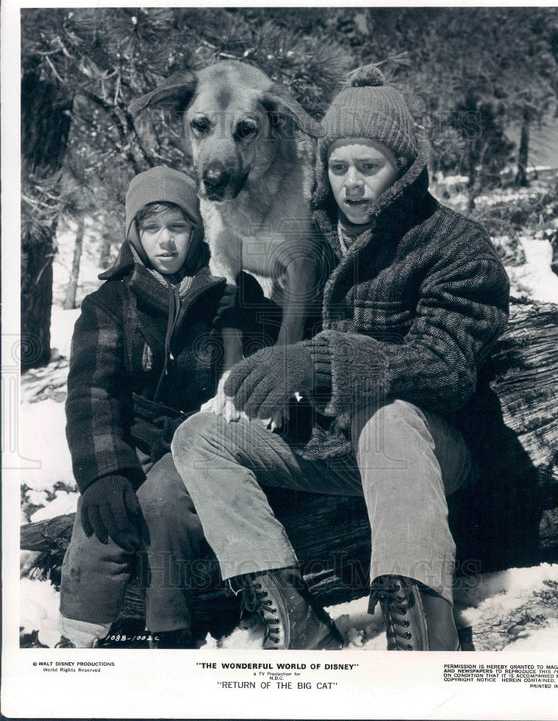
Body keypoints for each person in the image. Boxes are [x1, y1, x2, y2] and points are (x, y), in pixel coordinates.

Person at [170, 66, 511, 651]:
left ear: (403, 168)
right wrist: (248, 373)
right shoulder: (313, 236)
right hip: (331, 446)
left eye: (369, 167)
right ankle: (294, 619)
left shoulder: (456, 243)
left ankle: (424, 639)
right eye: (338, 167)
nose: (352, 184)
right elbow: (264, 305)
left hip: (429, 452)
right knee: (198, 438)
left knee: (390, 419)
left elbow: (447, 368)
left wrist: (319, 363)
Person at [58, 165, 273, 649]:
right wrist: (103, 472)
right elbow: (91, 393)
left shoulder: (226, 292)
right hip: (130, 441)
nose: (166, 242)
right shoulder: (109, 304)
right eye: (151, 228)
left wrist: (247, 314)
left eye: (177, 227)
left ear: (196, 231)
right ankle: (76, 643)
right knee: (101, 523)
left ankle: (170, 632)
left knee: (162, 506)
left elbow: (263, 357)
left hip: (196, 438)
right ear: (134, 233)